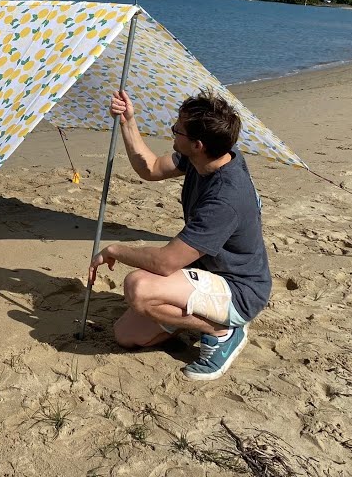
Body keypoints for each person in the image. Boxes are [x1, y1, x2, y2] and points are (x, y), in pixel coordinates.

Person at [88, 89, 271, 381]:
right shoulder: (209, 157)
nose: (173, 133)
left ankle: (222, 330)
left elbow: (165, 262)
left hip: (239, 290)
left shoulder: (225, 198)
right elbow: (149, 168)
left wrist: (114, 250)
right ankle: (195, 316)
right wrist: (127, 121)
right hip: (208, 269)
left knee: (139, 287)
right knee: (126, 336)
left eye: (177, 130)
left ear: (197, 144)